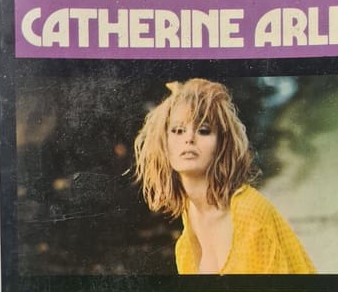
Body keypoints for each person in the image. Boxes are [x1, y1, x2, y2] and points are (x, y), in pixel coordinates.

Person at [134, 78, 316, 274]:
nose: (189, 138)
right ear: (164, 144)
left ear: (221, 145)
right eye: (178, 130)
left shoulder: (249, 213)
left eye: (204, 130)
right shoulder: (189, 223)